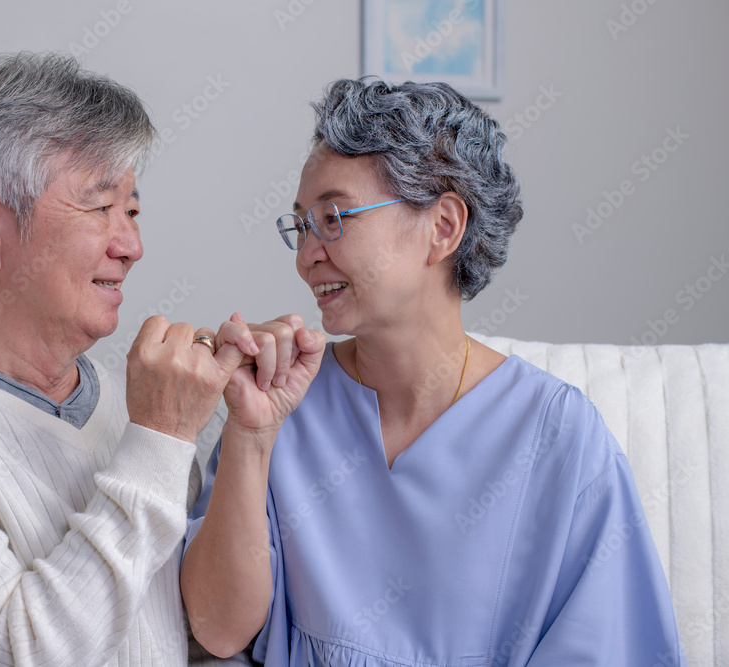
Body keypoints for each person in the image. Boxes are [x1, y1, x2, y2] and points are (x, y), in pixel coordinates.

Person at [180, 78, 688, 665]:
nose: (306, 255)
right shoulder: (279, 407)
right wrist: (249, 433)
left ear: (444, 227)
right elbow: (217, 632)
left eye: (335, 217)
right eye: (302, 225)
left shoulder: (559, 436)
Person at [0, 52, 267, 666]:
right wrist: (161, 440)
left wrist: (249, 431)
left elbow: (214, 633)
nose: (132, 245)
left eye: (133, 210)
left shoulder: (139, 410)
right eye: (100, 206)